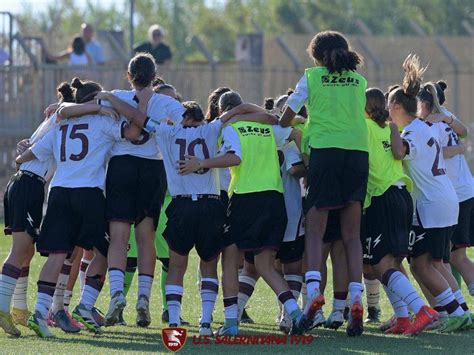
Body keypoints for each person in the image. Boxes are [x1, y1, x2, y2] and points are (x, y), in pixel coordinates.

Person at [15, 77, 139, 338]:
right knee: (105, 252)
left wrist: (23, 150)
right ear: (96, 101)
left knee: (57, 255)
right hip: (89, 194)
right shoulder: (104, 121)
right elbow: (134, 133)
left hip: (59, 193)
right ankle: (85, 305)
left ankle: (40, 313)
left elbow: (24, 157)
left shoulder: (61, 125)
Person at [179, 91, 306, 336]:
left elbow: (234, 158)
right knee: (265, 265)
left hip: (246, 199)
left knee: (230, 259)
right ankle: (296, 314)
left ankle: (231, 323)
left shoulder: (231, 128)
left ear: (223, 109)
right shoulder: (268, 127)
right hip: (274, 199)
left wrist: (201, 163)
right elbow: (295, 133)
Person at [280, 30, 368, 336]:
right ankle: (356, 298)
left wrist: (301, 122)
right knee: (352, 235)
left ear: (317, 56)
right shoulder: (359, 81)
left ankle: (314, 293)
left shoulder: (312, 77)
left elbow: (285, 117)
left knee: (315, 231)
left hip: (325, 153)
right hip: (358, 153)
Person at [98, 53, 184, 328]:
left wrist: (58, 107)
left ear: (129, 74)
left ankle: (115, 296)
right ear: (155, 75)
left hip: (122, 166)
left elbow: (88, 104)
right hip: (152, 169)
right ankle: (143, 300)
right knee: (146, 236)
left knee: (119, 237)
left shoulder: (115, 94)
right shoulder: (168, 102)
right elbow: (188, 125)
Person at [389, 54, 471, 333]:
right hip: (445, 200)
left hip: (432, 204)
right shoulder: (425, 128)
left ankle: (453, 312)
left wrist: (389, 131)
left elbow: (400, 152)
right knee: (435, 262)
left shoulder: (411, 132)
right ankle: (459, 311)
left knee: (421, 265)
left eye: (390, 106)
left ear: (398, 106)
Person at [363, 87, 436, 335]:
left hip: (382, 197)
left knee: (381, 266)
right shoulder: (389, 127)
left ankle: (421, 309)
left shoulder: (365, 129)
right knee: (391, 262)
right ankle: (403, 317)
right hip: (402, 196)